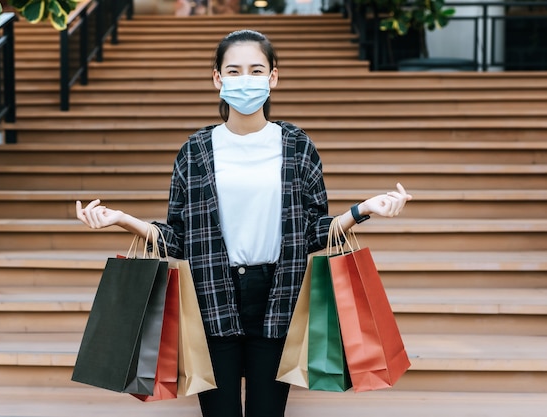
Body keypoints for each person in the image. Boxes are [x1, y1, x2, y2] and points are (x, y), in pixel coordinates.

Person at [76, 29, 412, 417]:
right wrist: (122, 220)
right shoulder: (195, 151)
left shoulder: (297, 146)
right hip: (212, 297)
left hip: (279, 297)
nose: (245, 79)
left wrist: (363, 209)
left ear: (273, 77)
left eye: (256, 70)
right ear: (217, 78)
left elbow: (312, 231)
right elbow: (180, 239)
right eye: (234, 71)